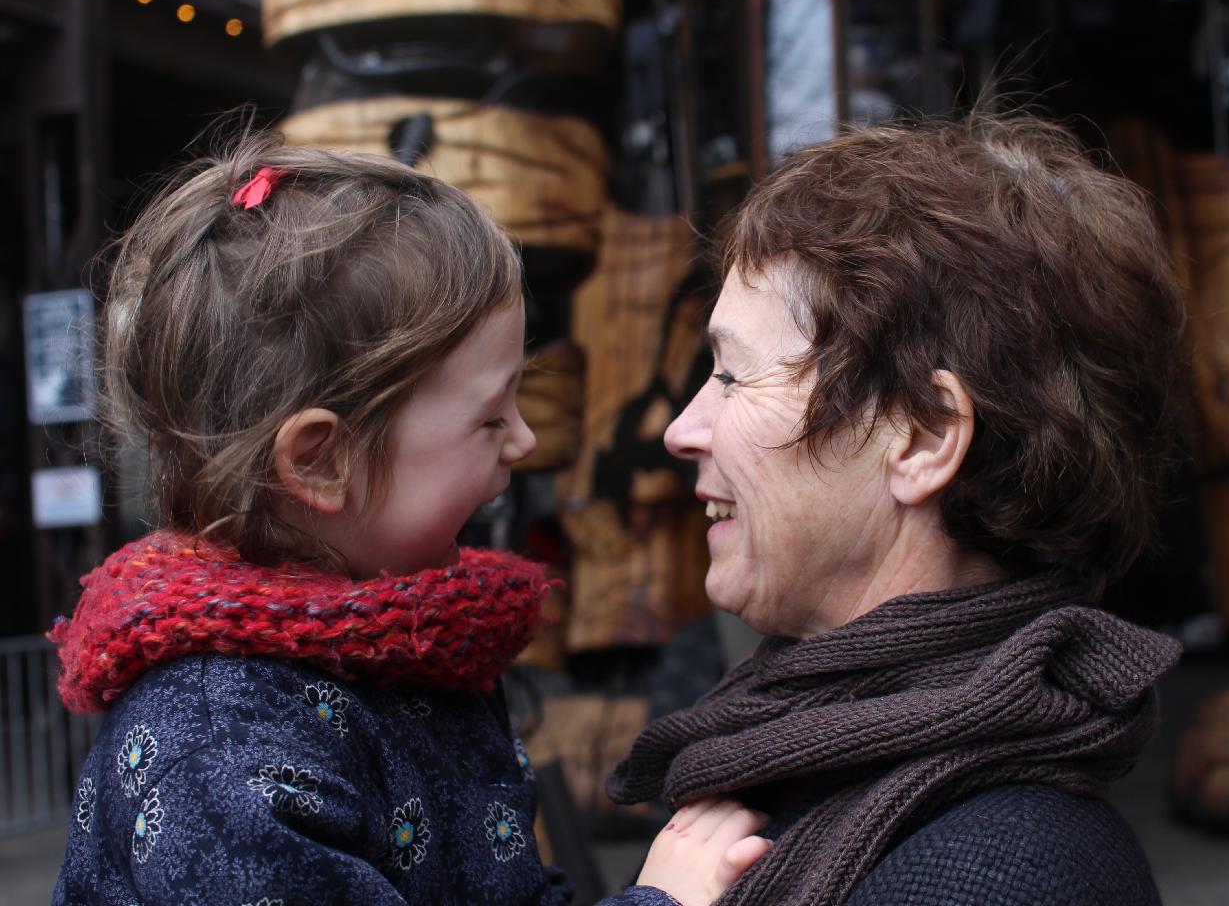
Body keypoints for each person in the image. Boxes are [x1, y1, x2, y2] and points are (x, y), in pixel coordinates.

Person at [49, 134, 768, 905]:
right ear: (323, 461)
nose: (524, 441)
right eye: (490, 418)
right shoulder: (222, 749)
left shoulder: (408, 652)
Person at [608, 111, 1188, 905]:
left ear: (921, 436)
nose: (680, 430)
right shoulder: (803, 765)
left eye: (735, 376)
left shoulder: (1001, 876)